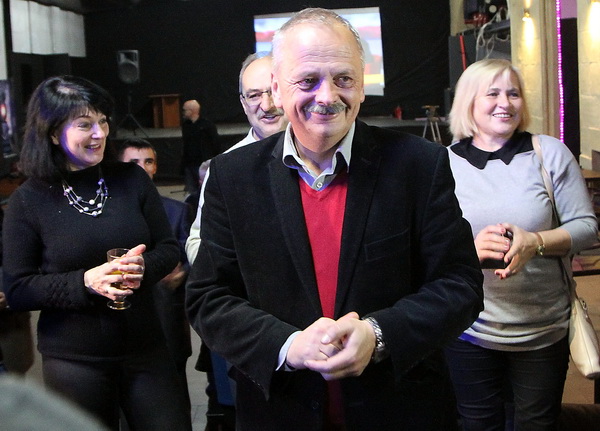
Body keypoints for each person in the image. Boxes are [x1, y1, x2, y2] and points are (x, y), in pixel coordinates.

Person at [186, 8, 484, 430]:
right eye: (308, 81)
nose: (327, 96)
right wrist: (288, 346)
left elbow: (460, 284)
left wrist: (379, 334)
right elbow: (208, 297)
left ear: (361, 84)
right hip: (279, 413)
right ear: (276, 88)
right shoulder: (231, 177)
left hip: (399, 412)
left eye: (343, 79)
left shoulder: (419, 166)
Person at [2, 75, 192, 431]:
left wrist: (142, 267)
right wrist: (85, 282)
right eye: (84, 125)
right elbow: (18, 288)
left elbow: (168, 249)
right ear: (53, 133)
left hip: (145, 348)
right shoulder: (28, 200)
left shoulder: (131, 179)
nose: (100, 134)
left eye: (102, 121)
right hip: (74, 360)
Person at [444, 58, 598, 430]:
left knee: (536, 423)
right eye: (493, 93)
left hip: (542, 329)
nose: (505, 103)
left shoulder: (548, 153)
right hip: (468, 330)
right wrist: (468, 251)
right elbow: (426, 248)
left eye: (513, 94)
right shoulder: (442, 163)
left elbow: (587, 229)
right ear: (469, 102)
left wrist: (536, 242)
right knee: (477, 423)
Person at [185, 52, 288, 261]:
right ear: (243, 103)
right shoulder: (224, 169)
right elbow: (197, 244)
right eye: (254, 95)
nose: (267, 105)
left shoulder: (322, 155)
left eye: (273, 91)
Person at [117, 138, 193, 416]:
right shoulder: (106, 215)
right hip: (120, 326)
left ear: (155, 166)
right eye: (133, 162)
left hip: (167, 320)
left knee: (175, 403)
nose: (142, 168)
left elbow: (193, 257)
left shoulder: (177, 211)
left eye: (148, 161)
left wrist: (182, 272)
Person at [181, 99, 219, 195]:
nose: (183, 112)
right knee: (192, 192)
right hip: (189, 164)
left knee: (205, 190)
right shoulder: (186, 125)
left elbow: (215, 143)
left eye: (184, 110)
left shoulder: (207, 126)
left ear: (192, 111)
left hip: (203, 164)